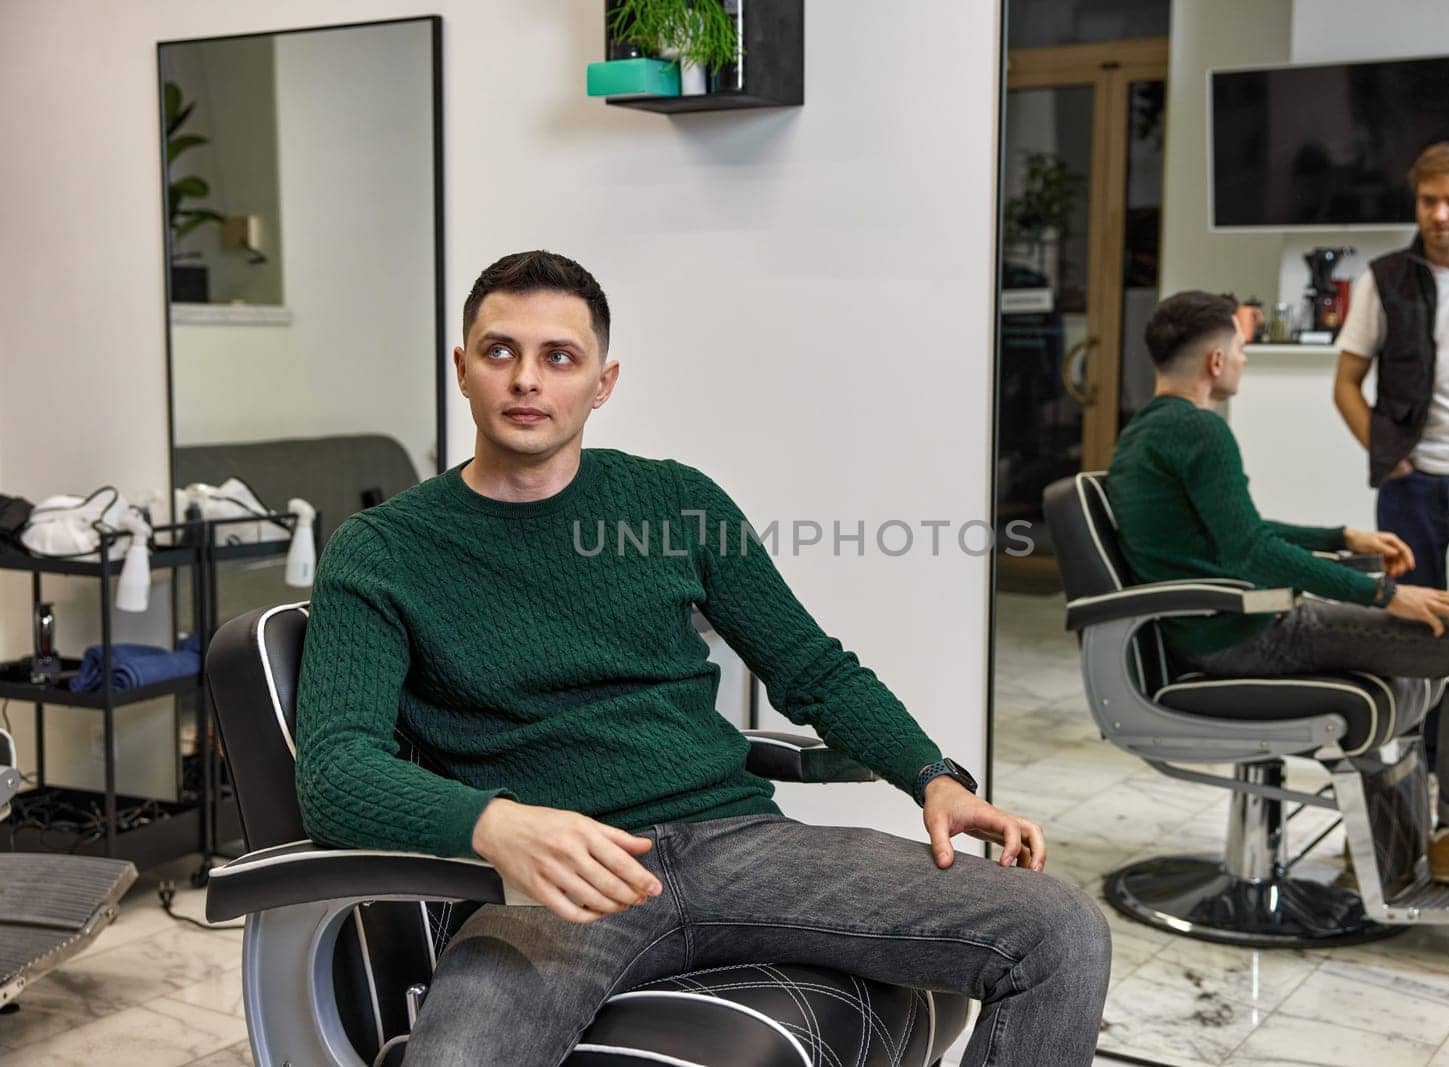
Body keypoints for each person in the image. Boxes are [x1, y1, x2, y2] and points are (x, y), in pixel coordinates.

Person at [294, 250, 1112, 1064]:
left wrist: (932, 776)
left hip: (739, 844)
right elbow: (334, 768)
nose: (527, 381)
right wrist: (496, 824)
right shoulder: (382, 550)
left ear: (602, 383)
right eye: (500, 351)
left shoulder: (675, 502)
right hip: (560, 880)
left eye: (559, 357)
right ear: (462, 369)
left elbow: (811, 667)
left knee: (1060, 932)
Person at [1106, 290, 1449, 881]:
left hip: (1213, 630)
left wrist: (1342, 535)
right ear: (1215, 361)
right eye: (1241, 348)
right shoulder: (1201, 432)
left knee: (1434, 633)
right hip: (1246, 636)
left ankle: (1384, 849)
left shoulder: (1146, 432)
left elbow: (1240, 532)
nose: (1244, 360)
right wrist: (1386, 595)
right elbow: (1249, 549)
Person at [1332, 139, 1449, 612]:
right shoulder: (1384, 279)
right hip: (1411, 483)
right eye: (1429, 201)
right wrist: (1387, 453)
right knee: (1411, 627)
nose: (1440, 214)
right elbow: (1345, 383)